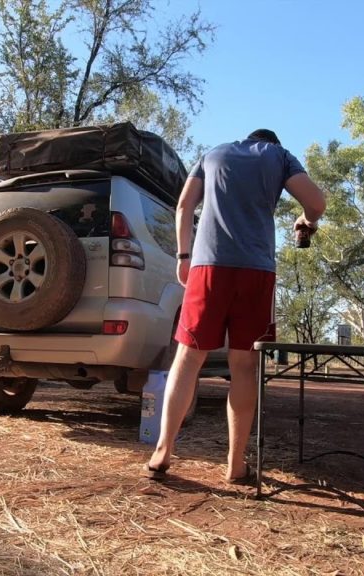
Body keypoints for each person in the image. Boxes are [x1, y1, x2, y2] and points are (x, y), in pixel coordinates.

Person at [144, 128, 327, 483]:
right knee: (243, 365)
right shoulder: (280, 156)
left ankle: (162, 452)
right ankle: (235, 464)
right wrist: (308, 222)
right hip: (256, 272)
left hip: (207, 266)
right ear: (271, 143)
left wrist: (184, 255)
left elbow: (183, 206)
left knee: (188, 357)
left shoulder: (212, 154)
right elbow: (316, 203)